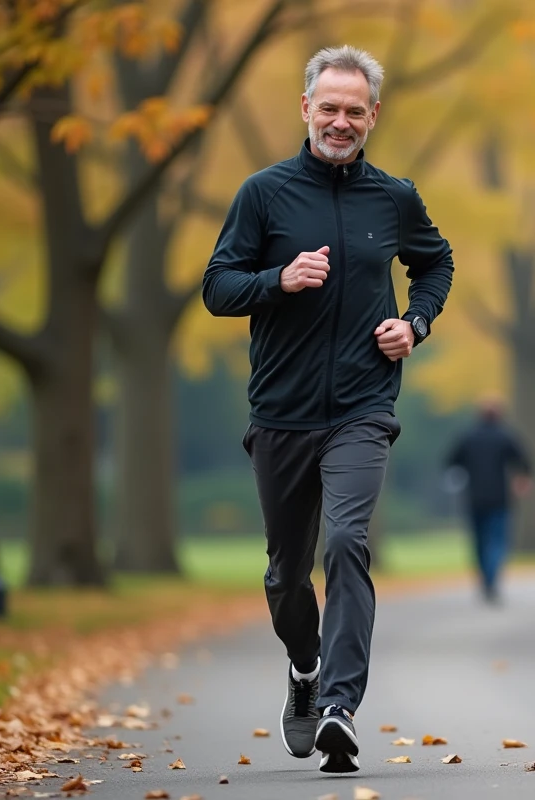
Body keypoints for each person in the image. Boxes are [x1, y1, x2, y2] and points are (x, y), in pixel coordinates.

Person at [201, 45, 454, 774]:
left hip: (363, 407)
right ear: (306, 108)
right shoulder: (264, 194)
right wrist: (278, 279)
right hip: (280, 411)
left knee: (347, 544)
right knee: (286, 575)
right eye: (329, 108)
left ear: (373, 115)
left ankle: (341, 706)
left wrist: (416, 323)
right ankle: (305, 672)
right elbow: (218, 287)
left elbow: (435, 263)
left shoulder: (394, 198)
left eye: (355, 110)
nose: (341, 121)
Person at [444, 398, 533, 605]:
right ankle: (491, 581)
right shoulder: (505, 436)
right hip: (500, 499)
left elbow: (451, 462)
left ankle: (485, 580)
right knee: (498, 542)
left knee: (479, 542)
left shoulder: (468, 437)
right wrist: (523, 480)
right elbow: (525, 462)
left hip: (474, 498)